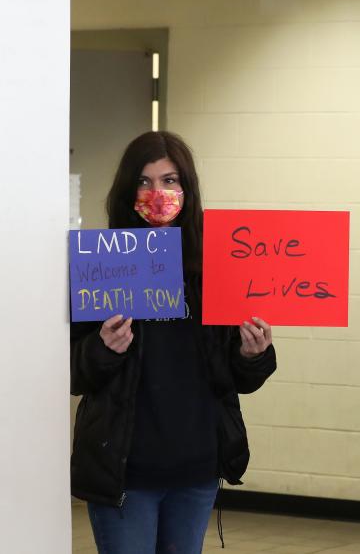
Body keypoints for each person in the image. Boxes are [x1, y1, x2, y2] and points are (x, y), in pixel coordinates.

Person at [71, 131, 277, 554]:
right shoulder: (102, 265)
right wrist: (103, 349)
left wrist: (253, 354)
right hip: (126, 472)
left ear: (187, 188)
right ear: (128, 191)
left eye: (169, 180)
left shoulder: (215, 266)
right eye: (144, 182)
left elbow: (236, 376)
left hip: (196, 471)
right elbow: (73, 371)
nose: (157, 192)